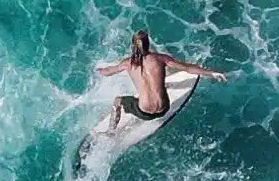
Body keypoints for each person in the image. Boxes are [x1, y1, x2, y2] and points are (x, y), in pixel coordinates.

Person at [94, 28, 229, 126]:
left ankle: (110, 132)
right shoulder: (161, 59)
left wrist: (99, 70)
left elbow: (108, 72)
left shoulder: (127, 63)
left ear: (133, 46)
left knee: (117, 100)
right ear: (148, 45)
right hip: (164, 109)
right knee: (159, 81)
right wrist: (212, 73)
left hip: (144, 112)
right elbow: (187, 68)